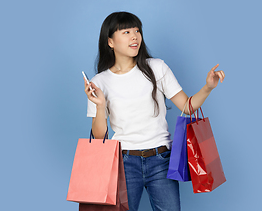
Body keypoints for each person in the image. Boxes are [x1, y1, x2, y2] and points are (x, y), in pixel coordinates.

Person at [84, 11, 225, 211]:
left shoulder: (157, 68)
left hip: (161, 161)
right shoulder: (99, 82)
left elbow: (188, 106)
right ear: (110, 42)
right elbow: (99, 138)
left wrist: (208, 87)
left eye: (137, 30)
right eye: (126, 32)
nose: (134, 36)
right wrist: (99, 105)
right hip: (124, 163)